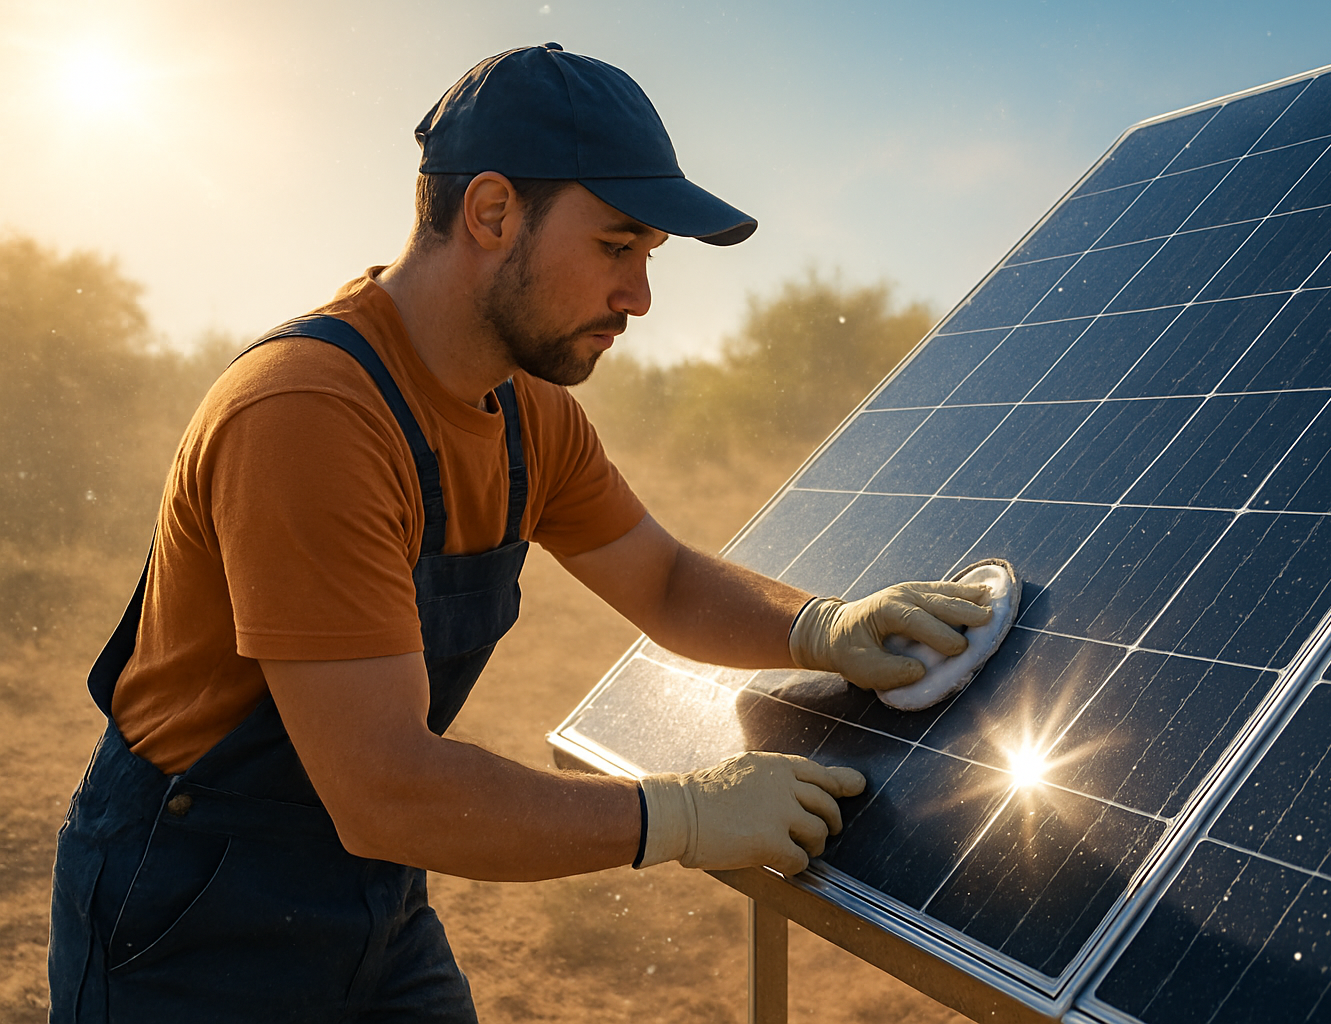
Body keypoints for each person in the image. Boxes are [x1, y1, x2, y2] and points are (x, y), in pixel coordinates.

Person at [48, 44, 992, 1022]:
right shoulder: (308, 415)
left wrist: (822, 627)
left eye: (648, 259)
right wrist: (687, 813)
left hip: (375, 889)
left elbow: (662, 580)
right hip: (191, 911)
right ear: (492, 213)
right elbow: (387, 787)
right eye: (616, 247)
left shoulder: (527, 413)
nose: (640, 297)